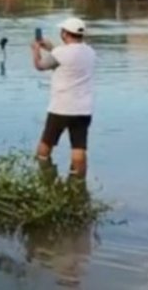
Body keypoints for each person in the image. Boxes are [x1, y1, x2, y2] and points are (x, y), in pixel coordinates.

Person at [31, 17, 96, 177]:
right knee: (79, 147)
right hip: (83, 109)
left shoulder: (61, 53)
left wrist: (36, 50)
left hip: (60, 108)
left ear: (65, 33)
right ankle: (79, 182)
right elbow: (66, 57)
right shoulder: (90, 52)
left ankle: (44, 175)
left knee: (46, 143)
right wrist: (51, 47)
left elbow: (40, 66)